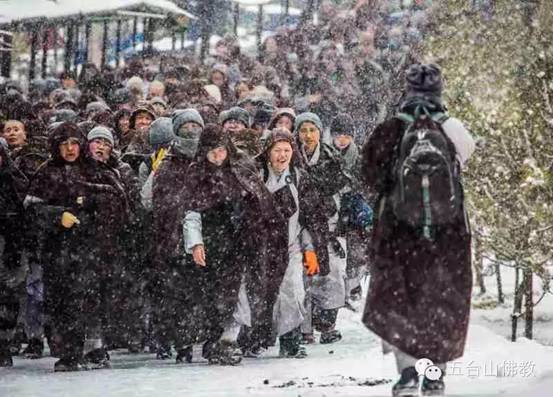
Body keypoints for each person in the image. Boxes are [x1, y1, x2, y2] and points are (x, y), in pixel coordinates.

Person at [360, 63, 475, 397]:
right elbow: (465, 160)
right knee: (442, 301)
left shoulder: (391, 128)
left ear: (406, 89)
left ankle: (407, 374)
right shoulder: (453, 128)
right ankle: (436, 376)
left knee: (400, 301)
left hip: (398, 233)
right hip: (448, 234)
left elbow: (369, 173)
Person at [25, 122, 128, 371]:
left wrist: (91, 210)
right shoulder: (47, 172)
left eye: (74, 143)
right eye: (64, 144)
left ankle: (94, 347)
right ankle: (69, 353)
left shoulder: (94, 170)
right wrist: (57, 215)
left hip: (91, 247)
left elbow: (116, 203)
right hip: (58, 249)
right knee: (62, 302)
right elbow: (31, 210)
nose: (70, 149)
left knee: (91, 299)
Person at [181, 124, 286, 365]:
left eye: (221, 150)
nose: (218, 156)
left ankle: (230, 340)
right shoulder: (197, 175)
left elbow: (261, 202)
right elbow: (191, 212)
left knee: (239, 293)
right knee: (215, 296)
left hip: (244, 242)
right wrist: (196, 244)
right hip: (214, 244)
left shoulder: (241, 168)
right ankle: (218, 340)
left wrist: (261, 229)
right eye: (212, 152)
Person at [294, 112, 349, 345]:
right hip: (299, 224)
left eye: (312, 130)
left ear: (320, 132)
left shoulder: (332, 158)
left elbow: (343, 191)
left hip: (329, 225)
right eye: (304, 130)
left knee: (332, 275)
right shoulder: (291, 157)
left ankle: (327, 325)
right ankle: (303, 328)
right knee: (304, 275)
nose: (308, 135)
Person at [0, 137, 28, 367]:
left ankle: (4, 345)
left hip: (10, 246)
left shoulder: (15, 181)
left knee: (8, 296)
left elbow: (24, 215)